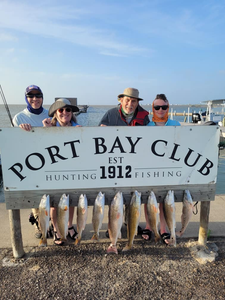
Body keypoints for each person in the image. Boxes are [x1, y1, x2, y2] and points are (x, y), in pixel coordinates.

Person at [99, 87, 150, 238]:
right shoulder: (110, 114)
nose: (130, 104)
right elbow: (97, 135)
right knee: (115, 196)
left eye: (133, 101)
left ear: (137, 102)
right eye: (127, 100)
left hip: (135, 161)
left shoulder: (144, 117)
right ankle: (113, 227)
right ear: (121, 100)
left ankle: (130, 223)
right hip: (114, 161)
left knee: (134, 195)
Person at [42, 98, 81, 245]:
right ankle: (57, 229)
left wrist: (82, 133)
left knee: (70, 201)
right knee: (53, 202)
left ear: (72, 112)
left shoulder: (78, 127)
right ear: (55, 113)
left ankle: (69, 225)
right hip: (54, 170)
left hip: (73, 169)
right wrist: (45, 131)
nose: (65, 113)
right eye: (61, 110)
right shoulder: (49, 127)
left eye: (68, 110)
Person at [13, 85, 49, 238]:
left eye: (38, 95)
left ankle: (52, 222)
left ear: (42, 97)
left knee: (49, 195)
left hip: (50, 160)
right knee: (35, 196)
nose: (35, 99)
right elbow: (15, 142)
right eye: (31, 96)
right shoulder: (19, 117)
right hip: (31, 164)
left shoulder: (51, 114)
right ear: (26, 98)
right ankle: (38, 226)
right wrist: (20, 130)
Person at [144, 93, 180, 244]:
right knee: (149, 198)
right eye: (157, 107)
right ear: (153, 108)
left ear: (168, 107)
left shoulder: (176, 124)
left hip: (169, 166)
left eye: (163, 107)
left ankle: (164, 228)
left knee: (165, 199)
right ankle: (149, 226)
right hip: (150, 166)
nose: (160, 110)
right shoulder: (147, 126)